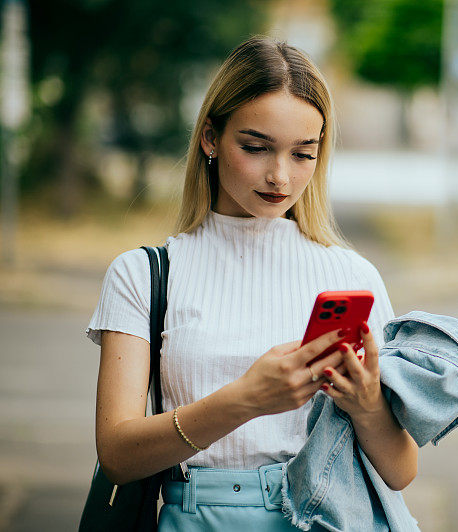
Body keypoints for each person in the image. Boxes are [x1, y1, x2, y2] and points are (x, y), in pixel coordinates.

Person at [85, 35, 418, 530]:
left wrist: (368, 405)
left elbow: (401, 472)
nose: (279, 176)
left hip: (325, 517)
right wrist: (248, 399)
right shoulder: (143, 274)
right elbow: (117, 455)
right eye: (256, 147)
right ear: (210, 139)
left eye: (303, 154)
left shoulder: (352, 276)